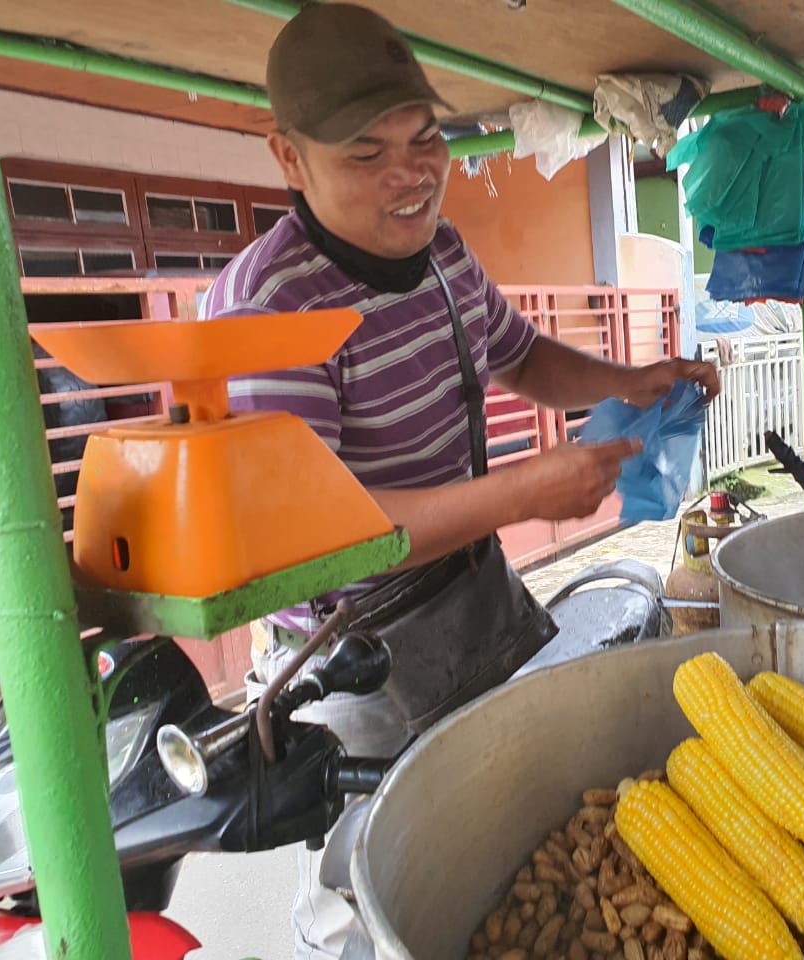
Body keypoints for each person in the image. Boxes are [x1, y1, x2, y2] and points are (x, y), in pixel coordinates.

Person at [198, 4, 718, 957]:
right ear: (287, 156)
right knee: (397, 895)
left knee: (527, 838)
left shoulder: (443, 255)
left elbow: (519, 358)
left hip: (473, 598)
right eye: (366, 153)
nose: (411, 173)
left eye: (424, 137)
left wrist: (631, 380)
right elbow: (317, 538)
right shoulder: (269, 308)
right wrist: (522, 494)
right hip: (357, 659)